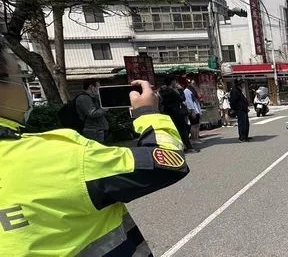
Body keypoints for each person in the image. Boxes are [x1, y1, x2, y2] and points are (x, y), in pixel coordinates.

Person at [0, 39, 190, 256]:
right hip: (93, 137)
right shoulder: (61, 155)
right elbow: (169, 162)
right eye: (21, 78)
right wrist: (146, 113)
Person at [159, 76, 193, 151]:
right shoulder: (170, 91)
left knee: (175, 130)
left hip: (167, 112)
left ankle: (179, 146)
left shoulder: (162, 91)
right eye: (175, 81)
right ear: (172, 82)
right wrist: (180, 89)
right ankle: (188, 147)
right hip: (176, 112)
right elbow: (182, 98)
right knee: (183, 129)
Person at [76, 79, 109, 143]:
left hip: (98, 130)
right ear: (91, 87)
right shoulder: (84, 98)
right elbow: (92, 113)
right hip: (93, 131)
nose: (99, 89)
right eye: (98, 87)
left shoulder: (92, 97)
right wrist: (104, 109)